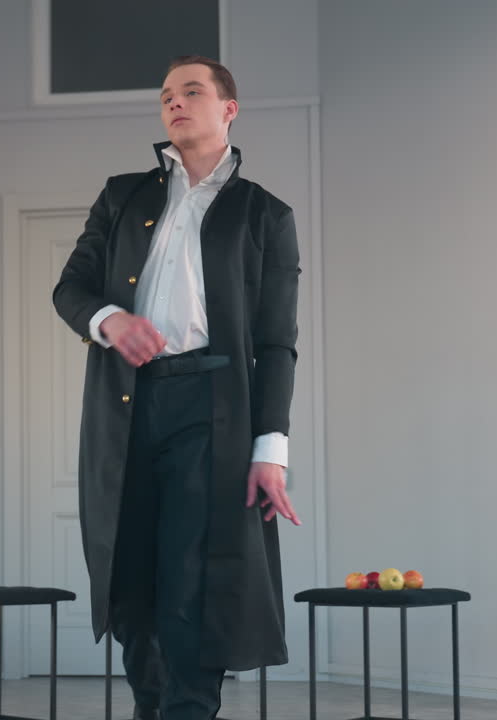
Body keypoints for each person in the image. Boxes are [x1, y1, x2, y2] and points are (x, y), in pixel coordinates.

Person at [52, 55, 302, 720]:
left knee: (195, 580)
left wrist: (269, 450)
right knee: (128, 573)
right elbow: (70, 289)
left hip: (213, 409)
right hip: (124, 407)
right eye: (166, 94)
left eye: (192, 91)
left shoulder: (265, 216)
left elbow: (276, 342)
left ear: (229, 109)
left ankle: (189, 711)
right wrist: (110, 321)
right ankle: (153, 708)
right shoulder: (122, 197)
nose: (175, 102)